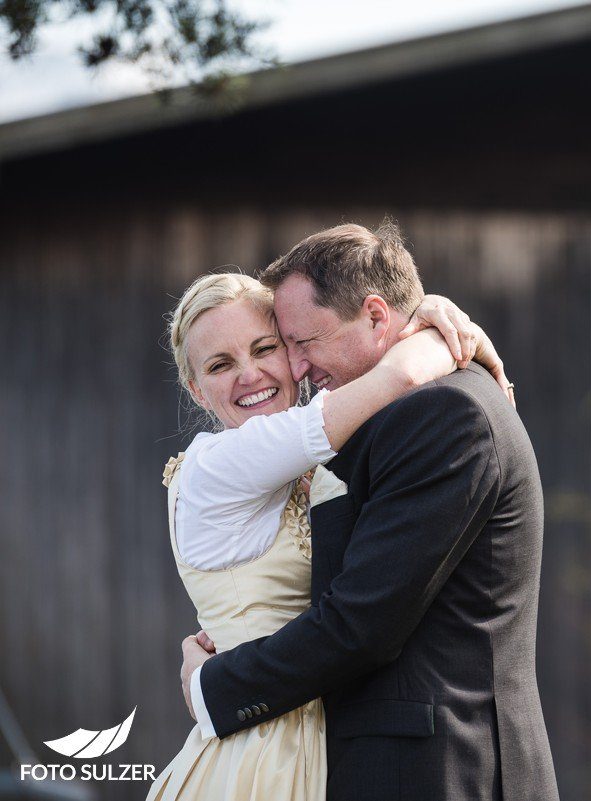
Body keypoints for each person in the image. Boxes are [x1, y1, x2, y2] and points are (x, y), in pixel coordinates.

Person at [178, 222, 559, 801]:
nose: (296, 369)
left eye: (288, 346)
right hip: (316, 757)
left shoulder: (442, 415)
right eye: (221, 364)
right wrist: (429, 325)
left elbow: (361, 624)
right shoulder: (350, 428)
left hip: (442, 770)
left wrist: (214, 685)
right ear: (195, 388)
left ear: (378, 318)